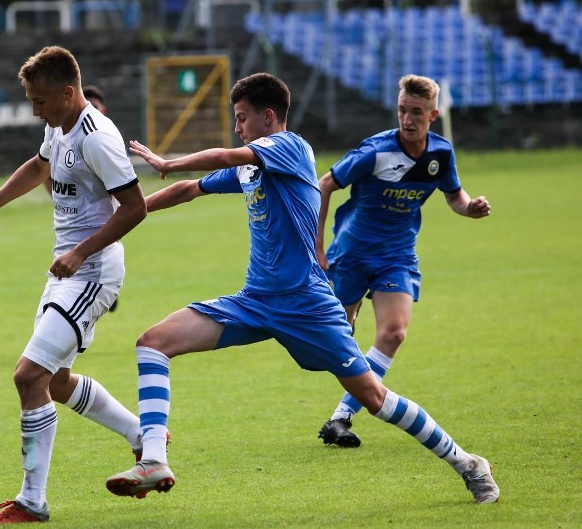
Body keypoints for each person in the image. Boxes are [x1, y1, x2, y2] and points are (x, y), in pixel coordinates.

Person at [104, 72, 499, 504]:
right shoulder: (252, 170)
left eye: (241, 118)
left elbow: (220, 157)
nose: (238, 127)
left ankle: (466, 462)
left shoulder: (290, 148)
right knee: (153, 343)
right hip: (255, 301)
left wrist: (169, 161)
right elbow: (190, 190)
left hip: (307, 305)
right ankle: (154, 460)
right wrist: (123, 216)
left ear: (268, 117)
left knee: (373, 397)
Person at [0, 46, 148, 524]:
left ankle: (32, 501)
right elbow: (39, 166)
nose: (34, 110)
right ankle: (144, 435)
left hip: (91, 273)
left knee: (28, 376)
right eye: (30, 100)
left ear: (68, 92)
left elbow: (135, 208)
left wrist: (81, 252)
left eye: (40, 101)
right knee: (55, 382)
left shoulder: (98, 138)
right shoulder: (58, 125)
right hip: (65, 271)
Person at [315, 74, 491, 448]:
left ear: (433, 114)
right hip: (350, 254)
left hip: (397, 256)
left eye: (415, 112)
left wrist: (469, 208)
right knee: (338, 342)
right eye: (401, 110)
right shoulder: (376, 151)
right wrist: (317, 244)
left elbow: (455, 196)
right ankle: (343, 408)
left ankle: (340, 417)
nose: (407, 119)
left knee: (393, 334)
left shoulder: (440, 154)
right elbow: (324, 184)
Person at [41, 84, 107, 194]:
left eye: (95, 107)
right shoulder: (60, 132)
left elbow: (132, 200)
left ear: (103, 111)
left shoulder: (105, 139)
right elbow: (42, 170)